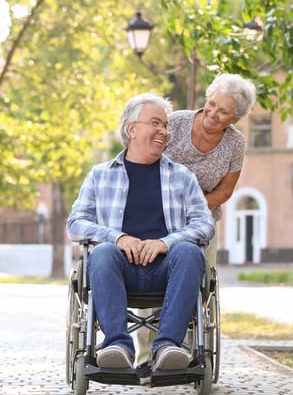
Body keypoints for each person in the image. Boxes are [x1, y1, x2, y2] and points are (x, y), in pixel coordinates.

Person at [66, 93, 215, 371]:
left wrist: (165, 242)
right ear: (131, 129)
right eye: (156, 123)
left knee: (189, 251)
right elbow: (75, 224)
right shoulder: (100, 175)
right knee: (103, 252)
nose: (164, 132)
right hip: (116, 270)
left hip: (168, 270)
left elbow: (205, 224)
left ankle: (168, 346)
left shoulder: (182, 176)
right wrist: (117, 237)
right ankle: (117, 346)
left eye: (166, 126)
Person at [134, 73, 257, 371]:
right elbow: (142, 159)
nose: (213, 114)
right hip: (157, 218)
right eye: (212, 104)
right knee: (149, 283)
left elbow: (225, 190)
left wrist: (191, 207)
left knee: (195, 283)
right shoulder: (174, 123)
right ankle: (145, 358)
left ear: (235, 118)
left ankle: (182, 349)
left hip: (200, 223)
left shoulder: (234, 144)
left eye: (223, 111)